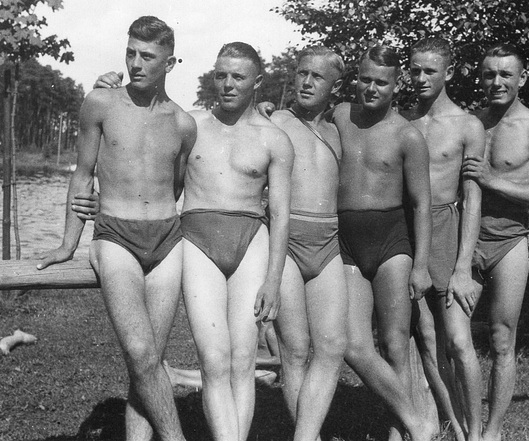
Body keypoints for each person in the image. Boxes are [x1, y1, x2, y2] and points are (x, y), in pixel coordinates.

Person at [36, 16, 196, 441]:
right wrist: (69, 243)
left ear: (171, 63)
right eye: (130, 53)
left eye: (148, 56)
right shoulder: (101, 103)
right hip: (115, 237)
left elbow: (176, 185)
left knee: (147, 362)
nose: (135, 64)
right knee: (143, 354)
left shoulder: (183, 123)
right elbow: (82, 174)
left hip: (166, 238)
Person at [180, 42, 293, 441]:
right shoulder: (190, 125)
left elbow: (280, 214)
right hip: (197, 237)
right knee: (214, 359)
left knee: (244, 359)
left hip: (252, 241)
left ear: (257, 82)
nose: (227, 84)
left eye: (238, 77)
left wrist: (274, 280)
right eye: (220, 75)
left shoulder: (273, 138)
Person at [329, 45, 436, 441]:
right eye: (365, 79)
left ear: (396, 85)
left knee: (395, 343)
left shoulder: (407, 135)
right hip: (346, 241)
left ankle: (397, 432)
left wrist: (421, 264)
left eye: (381, 82)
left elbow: (422, 204)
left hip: (392, 241)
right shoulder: (340, 115)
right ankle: (417, 421)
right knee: (353, 344)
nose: (370, 88)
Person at [462, 43, 529, 441]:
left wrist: (492, 180)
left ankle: (493, 431)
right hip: (463, 238)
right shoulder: (470, 122)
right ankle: (458, 420)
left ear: (522, 78)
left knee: (502, 338)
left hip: (509, 241)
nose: (497, 82)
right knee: (450, 337)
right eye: (489, 74)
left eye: (506, 74)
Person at [402, 38, 485, 441]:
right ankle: (452, 425)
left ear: (448, 73)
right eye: (414, 70)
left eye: (429, 71)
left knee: (457, 338)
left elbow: (472, 199)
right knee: (428, 338)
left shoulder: (468, 125)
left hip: (449, 232)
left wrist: (463, 266)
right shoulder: (404, 123)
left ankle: (477, 432)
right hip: (411, 232)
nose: (420, 78)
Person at [265, 46, 348, 441]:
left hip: (329, 240)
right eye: (301, 73)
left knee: (332, 346)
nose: (306, 82)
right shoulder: (276, 120)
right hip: (286, 242)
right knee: (295, 349)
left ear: (335, 86)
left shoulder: (338, 127)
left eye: (317, 76)